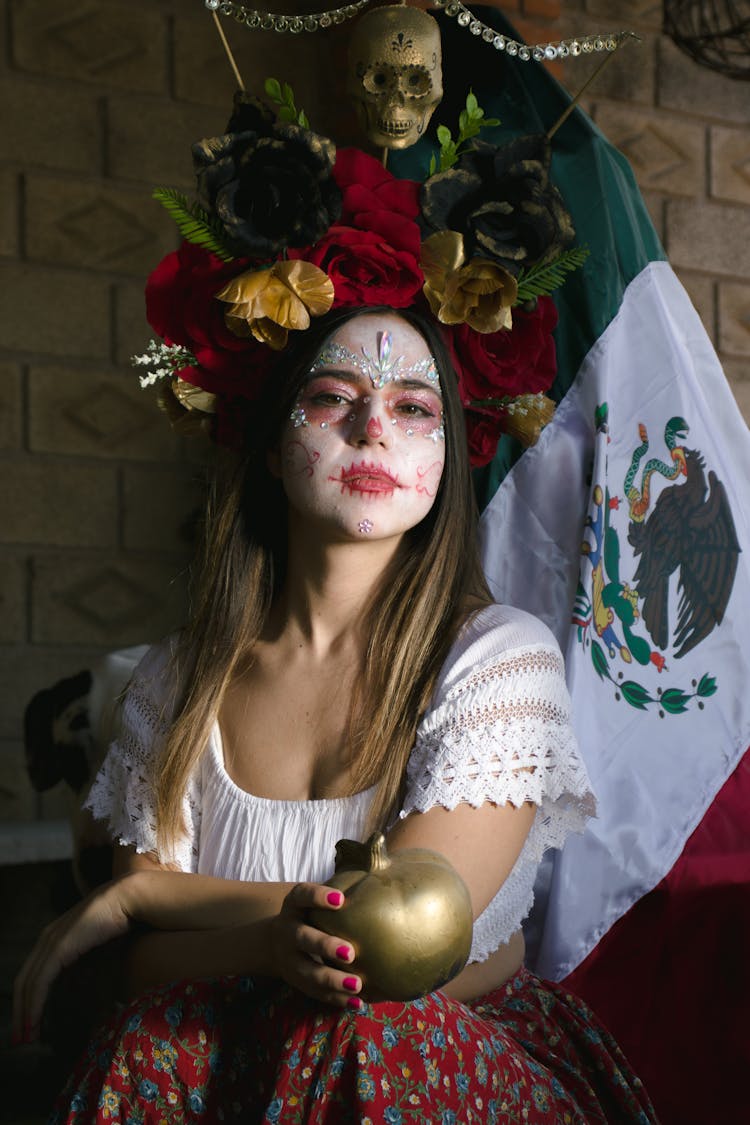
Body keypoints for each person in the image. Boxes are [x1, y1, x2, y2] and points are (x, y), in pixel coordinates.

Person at [14, 304, 658, 1123]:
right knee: (150, 1039)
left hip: (426, 1058)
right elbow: (144, 971)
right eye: (330, 397)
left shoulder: (498, 660)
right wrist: (258, 943)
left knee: (370, 1032)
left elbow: (400, 945)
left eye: (413, 408)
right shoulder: (178, 679)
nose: (372, 430)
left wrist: (142, 899)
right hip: (229, 1054)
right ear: (275, 451)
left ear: (445, 457)